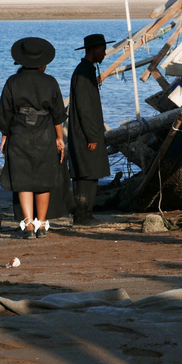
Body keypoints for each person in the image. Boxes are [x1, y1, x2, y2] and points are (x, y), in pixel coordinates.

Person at [0, 37, 66, 239]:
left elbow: (4, 112)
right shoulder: (50, 82)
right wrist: (59, 138)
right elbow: (58, 113)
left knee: (23, 180)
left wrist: (4, 135)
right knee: (43, 180)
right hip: (44, 134)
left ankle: (28, 225)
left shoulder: (12, 81)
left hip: (19, 134)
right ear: (43, 62)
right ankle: (41, 225)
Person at [68, 34, 114, 227]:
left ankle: (86, 214)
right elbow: (85, 108)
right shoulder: (83, 72)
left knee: (89, 173)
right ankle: (82, 215)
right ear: (93, 50)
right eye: (102, 50)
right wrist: (92, 136)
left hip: (86, 132)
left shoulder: (86, 70)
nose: (104, 53)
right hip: (85, 133)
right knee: (85, 174)